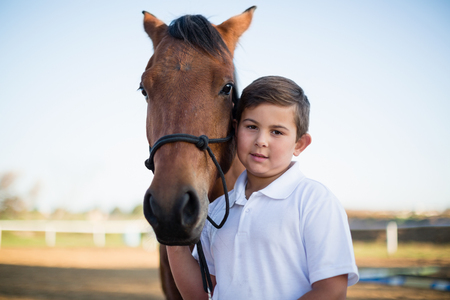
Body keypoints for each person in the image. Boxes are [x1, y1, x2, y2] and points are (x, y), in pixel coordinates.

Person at [167, 76, 359, 299]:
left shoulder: (314, 201)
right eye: (252, 127)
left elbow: (332, 291)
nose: (261, 140)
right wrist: (174, 242)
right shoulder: (217, 210)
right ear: (236, 130)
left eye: (276, 132)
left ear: (299, 144)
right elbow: (202, 294)